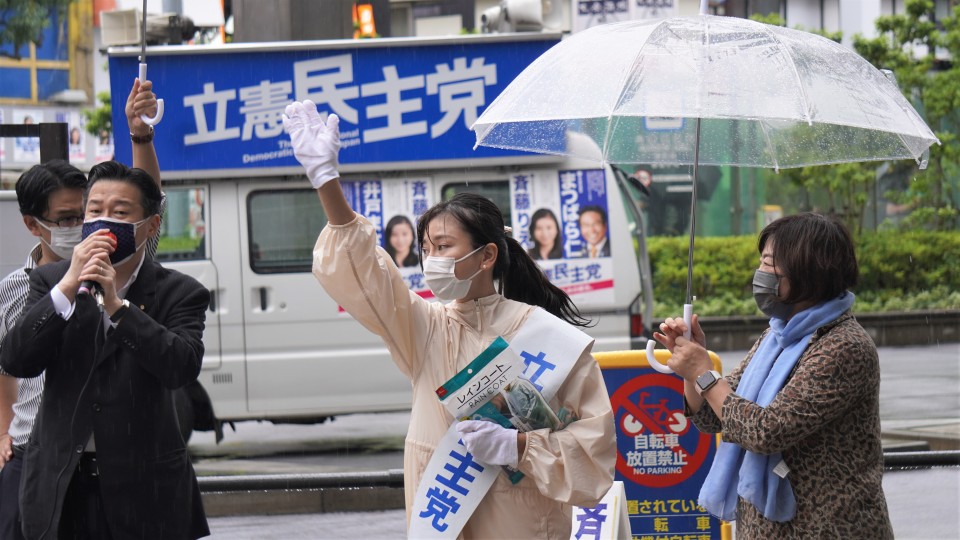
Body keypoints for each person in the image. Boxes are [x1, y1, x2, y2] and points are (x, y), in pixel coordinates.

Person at [283, 100, 615, 538]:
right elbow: (367, 273)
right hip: (444, 521)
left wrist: (519, 446)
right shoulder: (423, 328)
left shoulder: (550, 336)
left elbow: (594, 454)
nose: (431, 259)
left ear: (487, 256)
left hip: (525, 525)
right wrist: (326, 181)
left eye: (444, 246)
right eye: (427, 248)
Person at [653, 213, 893, 539]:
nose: (760, 273)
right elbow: (715, 416)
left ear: (809, 269)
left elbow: (767, 431)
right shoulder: (778, 335)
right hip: (764, 528)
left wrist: (703, 373)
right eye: (762, 262)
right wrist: (691, 364)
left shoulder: (844, 346)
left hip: (829, 526)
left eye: (770, 264)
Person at [0, 79, 165, 540]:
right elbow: (6, 363)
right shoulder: (15, 288)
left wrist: (141, 138)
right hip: (35, 452)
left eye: (86, 214)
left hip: (110, 458)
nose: (85, 226)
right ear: (33, 225)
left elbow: (148, 202)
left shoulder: (120, 268)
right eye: (69, 219)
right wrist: (3, 432)